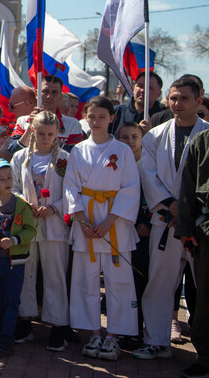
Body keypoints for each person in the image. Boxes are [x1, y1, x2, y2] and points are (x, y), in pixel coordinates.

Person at [135, 76, 208, 360]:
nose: (177, 104)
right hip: (165, 221)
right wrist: (171, 207)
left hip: (200, 224)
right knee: (160, 282)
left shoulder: (208, 134)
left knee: (204, 286)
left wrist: (190, 210)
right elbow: (148, 175)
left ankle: (205, 349)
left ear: (199, 100)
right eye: (173, 98)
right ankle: (156, 341)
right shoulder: (155, 135)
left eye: (185, 98)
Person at [64, 96, 139, 361]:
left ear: (111, 119)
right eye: (92, 116)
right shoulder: (78, 150)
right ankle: (94, 332)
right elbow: (70, 187)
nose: (96, 122)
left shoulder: (123, 150)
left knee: (118, 281)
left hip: (114, 223)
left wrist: (109, 222)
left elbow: (130, 189)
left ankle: (114, 336)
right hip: (87, 221)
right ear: (86, 117)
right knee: (86, 279)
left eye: (102, 117)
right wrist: (82, 221)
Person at [11, 111, 72, 350]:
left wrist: (55, 207)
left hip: (54, 225)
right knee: (26, 273)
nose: (45, 138)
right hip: (27, 223)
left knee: (55, 274)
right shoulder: (19, 157)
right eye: (41, 133)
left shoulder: (65, 158)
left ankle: (58, 326)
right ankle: (24, 321)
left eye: (50, 134)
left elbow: (71, 189)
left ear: (57, 133)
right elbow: (13, 186)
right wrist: (24, 204)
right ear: (32, 131)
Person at [0, 159, 37, 358]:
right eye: (1, 179)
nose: (7, 181)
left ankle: (6, 339)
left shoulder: (20, 204)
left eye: (9, 177)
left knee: (11, 301)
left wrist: (14, 240)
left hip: (15, 262)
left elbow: (31, 230)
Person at [176, 129, 209, 378]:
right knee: (206, 298)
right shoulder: (202, 141)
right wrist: (186, 230)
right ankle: (206, 357)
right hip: (207, 231)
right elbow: (188, 188)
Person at [118, 121, 151, 344]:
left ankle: (139, 331)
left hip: (144, 232)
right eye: (124, 137)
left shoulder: (149, 165)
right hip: (122, 228)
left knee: (141, 282)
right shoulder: (116, 164)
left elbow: (154, 196)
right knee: (123, 281)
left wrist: (147, 222)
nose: (130, 142)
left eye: (134, 137)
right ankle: (124, 328)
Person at [8, 76, 84, 155]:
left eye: (54, 92)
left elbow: (75, 155)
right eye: (46, 91)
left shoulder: (72, 124)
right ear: (37, 94)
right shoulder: (23, 121)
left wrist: (53, 140)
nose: (49, 96)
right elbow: (13, 152)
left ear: (61, 97)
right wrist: (30, 128)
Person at [109, 71, 165, 136]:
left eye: (149, 88)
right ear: (134, 88)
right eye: (140, 86)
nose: (143, 90)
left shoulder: (163, 118)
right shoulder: (117, 112)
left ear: (159, 94)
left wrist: (151, 134)